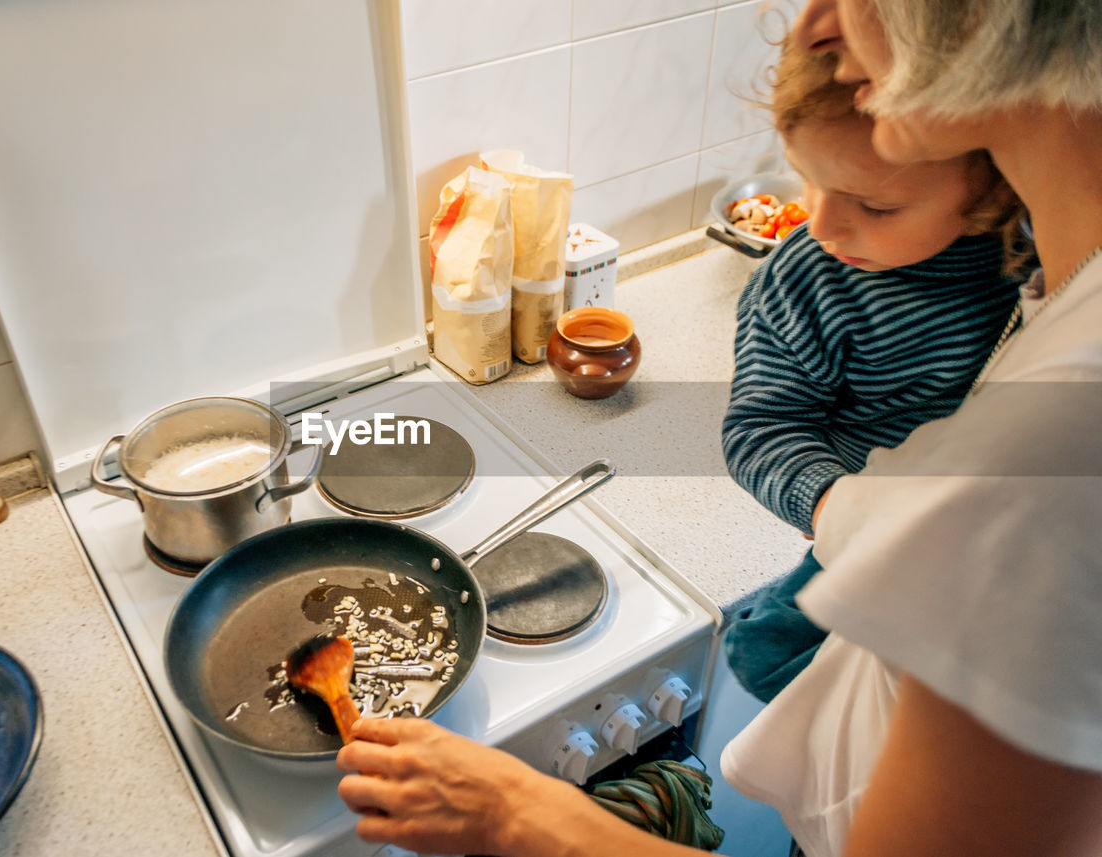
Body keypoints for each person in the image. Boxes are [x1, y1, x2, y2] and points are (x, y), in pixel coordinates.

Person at [335, 2, 1102, 855]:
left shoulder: (1049, 451)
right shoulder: (1047, 302)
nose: (813, 17)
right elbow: (765, 428)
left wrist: (520, 816)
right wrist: (848, 513)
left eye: (873, 204)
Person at [720, 37, 1025, 704]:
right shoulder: (805, 280)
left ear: (993, 189)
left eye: (875, 205)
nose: (822, 223)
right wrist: (833, 505)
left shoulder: (1034, 257)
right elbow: (762, 427)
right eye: (808, 178)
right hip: (872, 533)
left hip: (996, 549)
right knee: (759, 654)